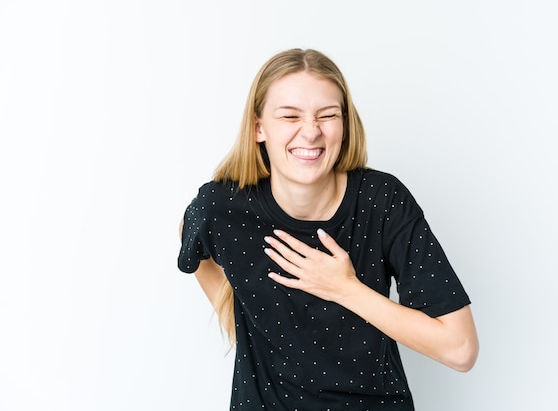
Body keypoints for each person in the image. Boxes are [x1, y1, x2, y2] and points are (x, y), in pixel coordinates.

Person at [178, 48, 478, 411]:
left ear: (345, 124)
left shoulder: (382, 201)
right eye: (290, 115)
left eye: (328, 115)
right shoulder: (221, 207)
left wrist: (344, 288)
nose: (311, 131)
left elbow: (460, 350)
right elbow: (190, 239)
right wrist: (243, 318)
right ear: (259, 128)